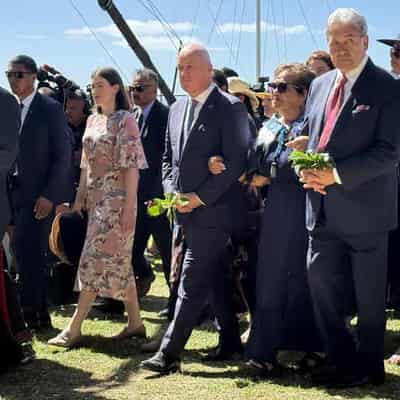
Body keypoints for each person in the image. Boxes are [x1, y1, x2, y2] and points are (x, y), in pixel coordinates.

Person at [300, 8, 400, 387]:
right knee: (320, 283)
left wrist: (336, 174)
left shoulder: (388, 88)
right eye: (333, 42)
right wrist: (305, 167)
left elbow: (389, 152)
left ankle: (370, 366)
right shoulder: (320, 84)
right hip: (320, 209)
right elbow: (314, 138)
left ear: (365, 41)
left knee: (370, 298)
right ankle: (341, 359)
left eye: (347, 41)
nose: (340, 49)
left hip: (367, 214)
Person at [140, 43, 250, 373]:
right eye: (180, 68)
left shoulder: (230, 107)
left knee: (190, 279)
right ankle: (230, 340)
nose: (183, 74)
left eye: (190, 67)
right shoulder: (176, 108)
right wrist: (174, 193)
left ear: (208, 68)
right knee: (213, 276)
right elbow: (166, 159)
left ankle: (169, 353)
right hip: (183, 211)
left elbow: (237, 162)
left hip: (215, 212)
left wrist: (199, 197)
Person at [48, 67, 148, 347]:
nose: (94, 89)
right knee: (118, 263)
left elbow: (132, 168)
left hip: (118, 203)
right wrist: (80, 197)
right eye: (92, 85)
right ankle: (136, 323)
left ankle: (74, 327)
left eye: (100, 84)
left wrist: (129, 207)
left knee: (93, 260)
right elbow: (85, 165)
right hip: (95, 202)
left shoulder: (125, 120)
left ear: (116, 87)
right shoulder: (92, 120)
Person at [235, 63, 321, 376]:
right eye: (273, 86)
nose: (275, 93)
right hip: (275, 215)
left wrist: (269, 174)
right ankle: (263, 352)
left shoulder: (312, 125)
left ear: (303, 94)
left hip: (307, 211)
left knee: (305, 282)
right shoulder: (271, 125)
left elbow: (291, 166)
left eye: (282, 87)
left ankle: (312, 346)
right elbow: (254, 162)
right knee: (271, 280)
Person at [6, 55, 72, 331]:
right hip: (12, 194)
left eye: (19, 74)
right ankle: (31, 312)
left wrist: (50, 195)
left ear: (33, 76)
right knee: (20, 253)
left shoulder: (50, 109)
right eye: (9, 74)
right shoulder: (8, 107)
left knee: (35, 254)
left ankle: (35, 312)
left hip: (40, 195)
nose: (13, 79)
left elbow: (63, 155)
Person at [130, 68, 172, 299]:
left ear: (154, 90)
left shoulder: (165, 116)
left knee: (166, 251)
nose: (135, 93)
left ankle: (175, 300)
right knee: (133, 250)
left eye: (140, 88)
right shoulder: (132, 117)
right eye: (132, 88)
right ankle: (144, 274)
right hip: (135, 197)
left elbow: (167, 159)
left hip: (157, 197)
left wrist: (159, 195)